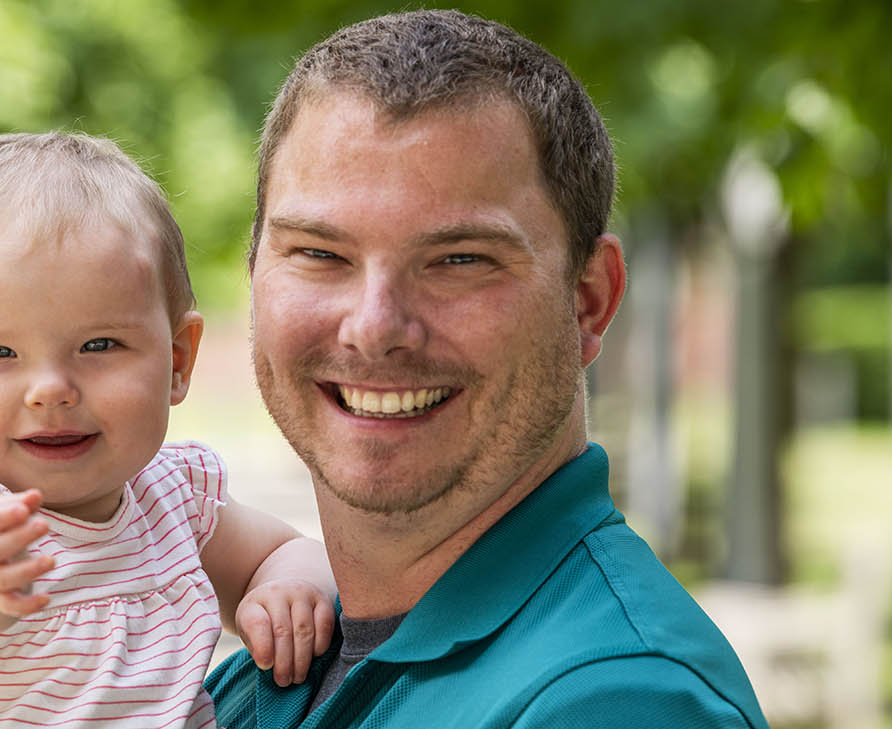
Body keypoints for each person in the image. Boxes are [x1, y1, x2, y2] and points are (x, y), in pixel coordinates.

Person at [206, 9, 770, 729]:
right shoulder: (263, 669)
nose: (375, 327)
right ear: (254, 271)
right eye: (320, 253)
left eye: (459, 260)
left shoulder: (617, 699)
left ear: (589, 299)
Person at [0, 131, 336, 729]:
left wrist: (288, 588)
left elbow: (285, 551)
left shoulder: (174, 501)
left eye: (99, 345)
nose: (51, 388)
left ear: (177, 361)